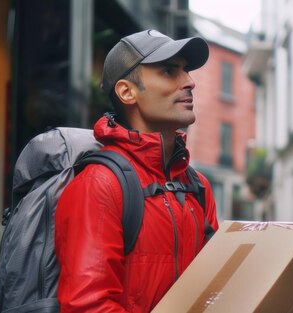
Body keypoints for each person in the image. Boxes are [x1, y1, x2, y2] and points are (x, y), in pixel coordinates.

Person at [54, 29, 219, 312]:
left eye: (186, 71)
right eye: (169, 71)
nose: (189, 82)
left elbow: (216, 288)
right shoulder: (100, 184)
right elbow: (88, 306)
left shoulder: (198, 187)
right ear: (127, 92)